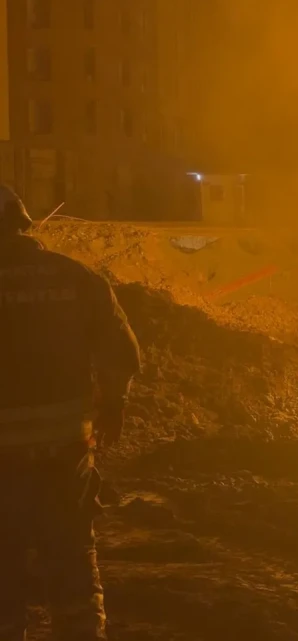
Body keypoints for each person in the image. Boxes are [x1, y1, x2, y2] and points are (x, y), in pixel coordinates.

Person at [0, 186, 141, 641]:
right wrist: (114, 405)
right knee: (72, 558)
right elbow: (120, 351)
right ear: (23, 222)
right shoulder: (76, 278)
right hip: (67, 453)